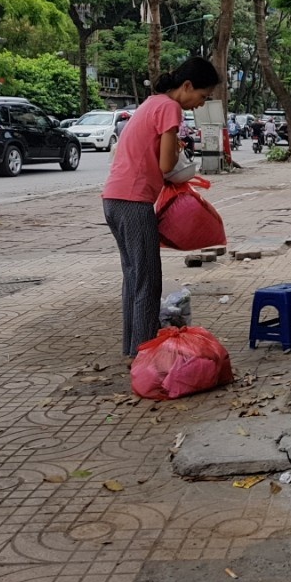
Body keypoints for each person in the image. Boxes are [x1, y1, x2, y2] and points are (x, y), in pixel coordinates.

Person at [102, 57, 220, 358]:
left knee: (134, 278)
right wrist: (179, 156)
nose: (200, 104)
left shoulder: (152, 102)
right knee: (148, 283)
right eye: (202, 97)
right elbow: (167, 165)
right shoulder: (170, 108)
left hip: (114, 199)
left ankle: (133, 351)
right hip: (134, 201)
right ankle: (145, 355)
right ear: (187, 85)